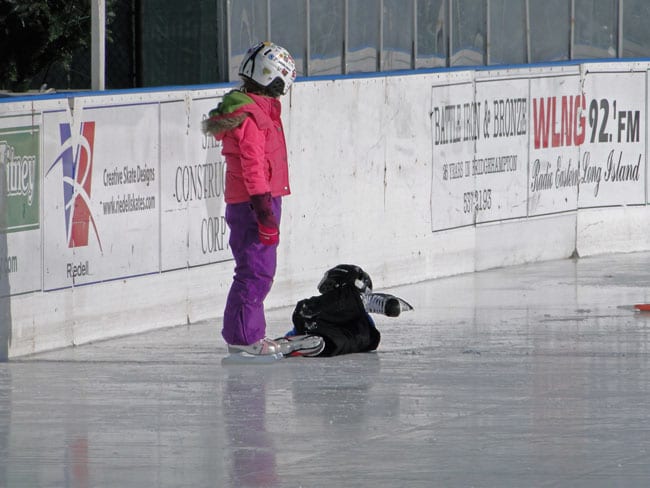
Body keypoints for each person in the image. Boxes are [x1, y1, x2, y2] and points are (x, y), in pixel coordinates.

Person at [203, 41, 311, 357]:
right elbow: (253, 164)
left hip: (258, 200)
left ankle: (247, 335)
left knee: (258, 270)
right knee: (255, 270)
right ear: (273, 79)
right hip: (254, 203)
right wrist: (264, 211)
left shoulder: (257, 110)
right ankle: (244, 338)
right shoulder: (250, 115)